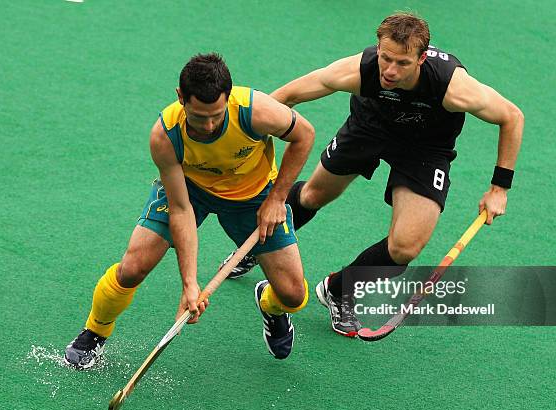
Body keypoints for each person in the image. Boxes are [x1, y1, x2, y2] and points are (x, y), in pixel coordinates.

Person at [222, 13, 524, 337]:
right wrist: (242, 133)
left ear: (422, 58)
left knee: (404, 248)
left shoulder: (453, 86)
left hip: (425, 149)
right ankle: (258, 246)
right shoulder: (362, 70)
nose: (390, 71)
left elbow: (511, 117)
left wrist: (499, 188)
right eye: (386, 58)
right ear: (378, 48)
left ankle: (339, 289)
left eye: (403, 63)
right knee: (312, 195)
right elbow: (289, 96)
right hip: (369, 128)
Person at [64, 53, 315, 368]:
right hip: (190, 190)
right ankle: (94, 331)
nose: (209, 125)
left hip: (254, 196)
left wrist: (278, 198)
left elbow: (304, 135)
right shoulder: (165, 135)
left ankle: (271, 306)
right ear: (180, 97)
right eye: (199, 116)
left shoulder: (256, 111)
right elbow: (181, 209)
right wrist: (190, 284)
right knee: (134, 265)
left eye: (216, 115)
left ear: (229, 97)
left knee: (292, 294)